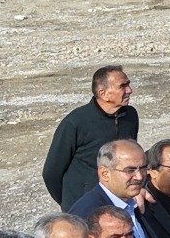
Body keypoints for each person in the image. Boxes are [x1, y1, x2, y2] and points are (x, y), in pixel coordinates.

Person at [41, 66, 136, 207]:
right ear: (103, 94)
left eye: (128, 84)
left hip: (119, 202)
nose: (130, 90)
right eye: (123, 86)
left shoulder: (130, 116)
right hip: (85, 206)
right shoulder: (75, 122)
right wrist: (71, 203)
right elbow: (51, 173)